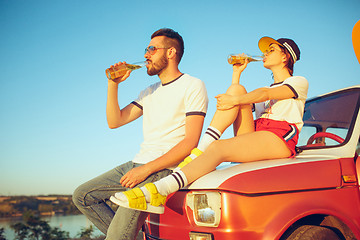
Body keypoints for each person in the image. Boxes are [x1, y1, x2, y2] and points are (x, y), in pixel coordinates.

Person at [110, 36, 309, 214]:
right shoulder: (260, 90)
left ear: (286, 57)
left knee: (219, 145)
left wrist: (236, 100)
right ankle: (200, 152)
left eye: (271, 50)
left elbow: (266, 94)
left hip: (280, 139)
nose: (265, 54)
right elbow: (241, 102)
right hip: (257, 136)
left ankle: (162, 189)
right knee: (236, 88)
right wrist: (236, 74)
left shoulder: (298, 82)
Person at [72, 28, 208, 240]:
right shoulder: (149, 91)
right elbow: (114, 121)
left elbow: (190, 142)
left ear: (171, 53)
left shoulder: (192, 85)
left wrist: (146, 170)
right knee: (82, 196)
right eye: (146, 49)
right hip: (137, 164)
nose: (146, 54)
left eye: (152, 49)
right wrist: (112, 84)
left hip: (163, 169)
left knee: (117, 236)